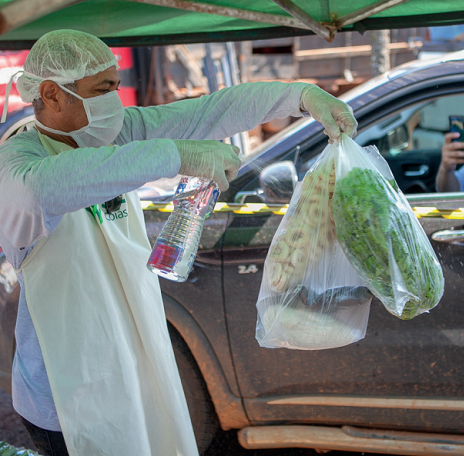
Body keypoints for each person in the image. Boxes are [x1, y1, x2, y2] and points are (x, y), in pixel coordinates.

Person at [0, 30, 357, 456]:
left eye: (117, 85)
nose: (115, 101)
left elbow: (209, 112)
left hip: (129, 366)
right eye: (103, 90)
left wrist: (300, 96)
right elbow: (46, 189)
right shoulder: (19, 161)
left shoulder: (110, 133)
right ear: (51, 95)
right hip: (62, 396)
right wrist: (176, 155)